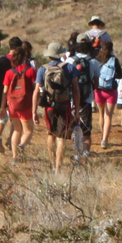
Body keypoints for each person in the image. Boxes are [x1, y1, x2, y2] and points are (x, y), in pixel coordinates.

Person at [37, 41, 76, 172]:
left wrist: (33, 111)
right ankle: (59, 168)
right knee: (61, 137)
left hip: (49, 106)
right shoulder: (70, 68)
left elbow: (37, 91)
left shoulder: (43, 69)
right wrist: (76, 107)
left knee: (50, 134)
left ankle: (52, 163)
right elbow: (76, 89)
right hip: (64, 105)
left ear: (49, 55)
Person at [0, 39, 37, 160]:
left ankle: (15, 156)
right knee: (28, 130)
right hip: (25, 104)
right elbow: (34, 88)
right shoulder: (31, 71)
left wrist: (3, 107)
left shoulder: (9, 73)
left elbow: (5, 91)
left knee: (16, 129)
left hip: (12, 104)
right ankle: (22, 145)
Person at [94, 38, 121, 147]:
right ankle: (105, 140)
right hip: (111, 91)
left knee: (101, 114)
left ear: (101, 49)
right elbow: (120, 75)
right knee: (108, 116)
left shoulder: (96, 60)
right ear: (111, 49)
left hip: (98, 90)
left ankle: (102, 134)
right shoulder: (114, 60)